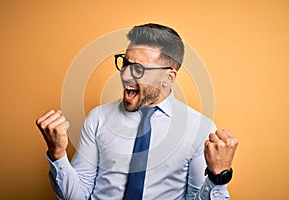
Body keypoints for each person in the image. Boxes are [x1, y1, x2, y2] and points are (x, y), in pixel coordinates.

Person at [36, 23, 238, 200]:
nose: (125, 75)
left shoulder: (199, 128)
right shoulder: (98, 118)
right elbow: (78, 195)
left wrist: (217, 177)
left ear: (168, 77)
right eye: (125, 63)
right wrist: (58, 154)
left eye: (139, 69)